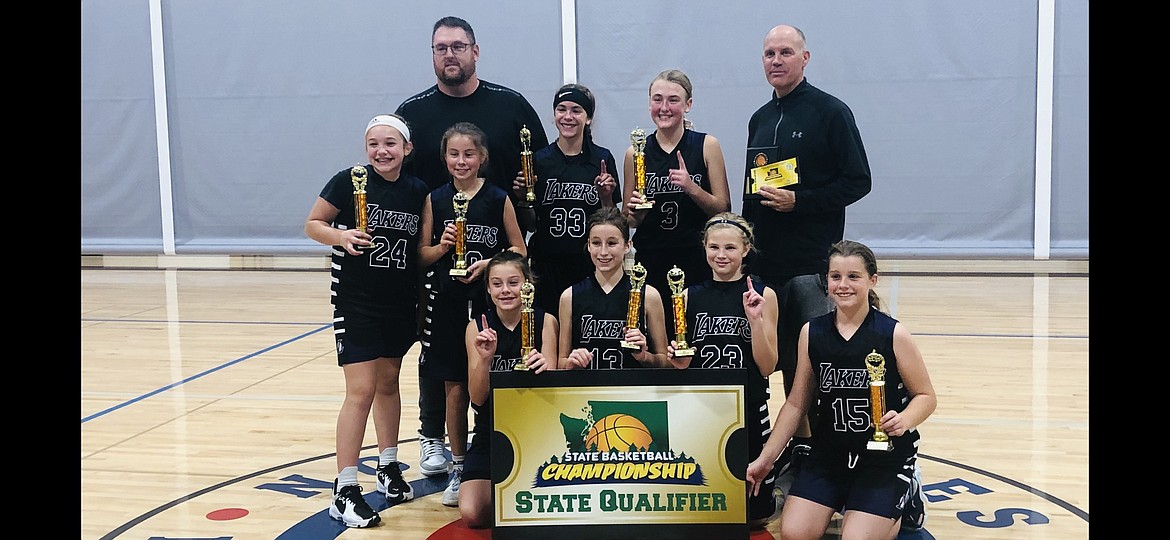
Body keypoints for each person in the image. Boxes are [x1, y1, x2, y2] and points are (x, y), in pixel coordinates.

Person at [397, 16, 549, 479]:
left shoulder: (511, 105)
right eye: (441, 47)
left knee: (493, 349)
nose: (450, 55)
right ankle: (432, 438)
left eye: (458, 46)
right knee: (437, 354)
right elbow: (398, 179)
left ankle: (499, 432)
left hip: (499, 265)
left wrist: (529, 185)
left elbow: (537, 164)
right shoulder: (414, 112)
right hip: (439, 265)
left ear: (475, 52)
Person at [741, 24, 873, 495]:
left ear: (805, 57)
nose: (776, 60)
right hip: (764, 268)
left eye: (786, 52)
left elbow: (859, 181)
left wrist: (802, 202)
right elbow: (751, 194)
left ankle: (826, 459)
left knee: (814, 367)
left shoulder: (831, 112)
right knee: (769, 364)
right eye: (769, 53)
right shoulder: (759, 117)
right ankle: (783, 451)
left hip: (811, 268)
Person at [745, 240, 936, 540]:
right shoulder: (812, 332)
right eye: (835, 277)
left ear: (873, 280)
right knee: (794, 533)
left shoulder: (893, 333)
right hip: (830, 456)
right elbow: (796, 404)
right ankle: (849, 499)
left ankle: (907, 490)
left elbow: (926, 397)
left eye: (853, 277)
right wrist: (767, 458)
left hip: (882, 459)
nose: (843, 285)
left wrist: (906, 419)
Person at [304, 114, 428, 527]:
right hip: (355, 303)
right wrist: (340, 236)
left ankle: (388, 467)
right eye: (374, 143)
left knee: (389, 383)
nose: (381, 151)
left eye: (390, 143)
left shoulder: (417, 192)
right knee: (361, 390)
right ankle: (344, 489)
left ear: (407, 149)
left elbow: (420, 250)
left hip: (398, 303)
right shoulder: (349, 180)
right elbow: (312, 224)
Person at [417, 122, 527, 507]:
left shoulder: (497, 199)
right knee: (454, 388)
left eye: (469, 154)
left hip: (487, 304)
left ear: (482, 158)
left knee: (485, 382)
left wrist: (491, 264)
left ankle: (501, 454)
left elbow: (519, 249)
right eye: (454, 154)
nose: (461, 161)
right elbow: (422, 255)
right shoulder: (435, 199)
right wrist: (444, 246)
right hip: (447, 303)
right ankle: (459, 465)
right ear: (445, 159)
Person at [665, 212, 779, 527]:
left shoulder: (763, 294)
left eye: (730, 248)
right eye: (714, 247)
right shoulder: (687, 296)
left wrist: (755, 321)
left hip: (748, 406)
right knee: (704, 510)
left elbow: (768, 365)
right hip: (704, 409)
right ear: (704, 248)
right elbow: (683, 362)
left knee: (756, 517)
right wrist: (678, 360)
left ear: (746, 250)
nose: (721, 255)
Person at [622, 69, 731, 335]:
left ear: (688, 104)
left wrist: (692, 188)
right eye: (657, 99)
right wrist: (635, 209)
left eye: (673, 100)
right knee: (658, 338)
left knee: (693, 335)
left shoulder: (707, 145)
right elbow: (628, 219)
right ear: (649, 103)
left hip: (696, 258)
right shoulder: (635, 152)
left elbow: (723, 208)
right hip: (651, 258)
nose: (664, 107)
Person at [461, 251, 558, 527]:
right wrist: (485, 360)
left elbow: (554, 392)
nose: (506, 290)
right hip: (491, 431)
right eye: (497, 284)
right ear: (488, 289)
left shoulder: (546, 321)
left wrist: (545, 367)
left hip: (537, 432)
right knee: (472, 512)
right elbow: (477, 398)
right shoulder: (477, 328)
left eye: (514, 282)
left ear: (528, 285)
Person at [512, 83, 621, 315]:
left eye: (576, 110)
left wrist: (606, 197)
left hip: (588, 263)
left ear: (588, 118)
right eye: (561, 109)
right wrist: (522, 199)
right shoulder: (538, 160)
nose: (568, 116)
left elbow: (613, 220)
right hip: (547, 262)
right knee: (550, 328)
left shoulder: (602, 158)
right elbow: (532, 224)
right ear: (554, 115)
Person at [559, 206, 671, 370]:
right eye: (596, 243)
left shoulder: (649, 295)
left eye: (611, 243)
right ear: (588, 245)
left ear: (627, 245)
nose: (603, 252)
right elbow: (560, 363)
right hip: (585, 392)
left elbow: (667, 364)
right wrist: (572, 362)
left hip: (633, 392)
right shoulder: (570, 297)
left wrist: (644, 356)